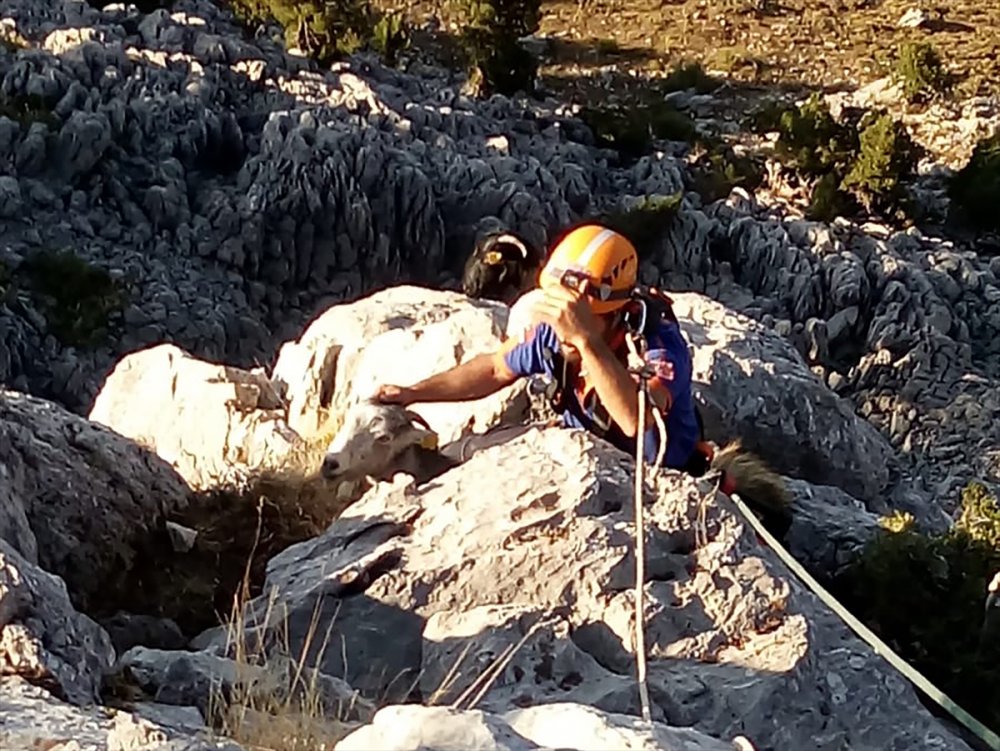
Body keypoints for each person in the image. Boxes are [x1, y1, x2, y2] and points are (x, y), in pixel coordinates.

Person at [376, 222, 705, 471]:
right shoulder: (554, 331)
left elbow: (637, 418)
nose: (565, 322)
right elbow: (495, 368)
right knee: (456, 456)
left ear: (615, 313)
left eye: (578, 313)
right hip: (579, 448)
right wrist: (413, 393)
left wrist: (585, 341)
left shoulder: (656, 345)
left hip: (654, 470)